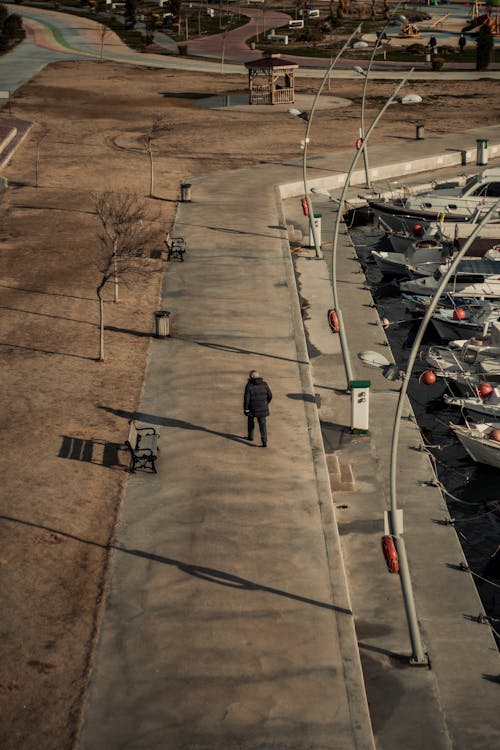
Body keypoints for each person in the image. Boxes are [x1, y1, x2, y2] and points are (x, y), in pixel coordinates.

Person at [244, 370, 272, 447]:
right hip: (263, 408)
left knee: (250, 422)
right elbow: (270, 395)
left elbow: (246, 399)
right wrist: (266, 403)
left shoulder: (249, 385)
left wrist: (246, 409)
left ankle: (250, 436)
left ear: (252, 377)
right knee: (262, 425)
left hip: (252, 409)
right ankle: (264, 441)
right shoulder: (264, 384)